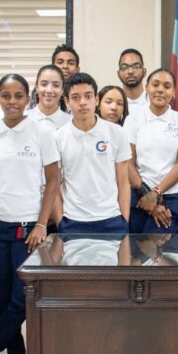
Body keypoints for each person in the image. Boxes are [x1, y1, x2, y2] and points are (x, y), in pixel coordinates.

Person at [0, 73, 60, 354]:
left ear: (29, 99)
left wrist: (41, 223)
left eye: (19, 96)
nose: (13, 102)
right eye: (6, 96)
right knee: (1, 297)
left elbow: (53, 181)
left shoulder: (41, 132)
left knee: (21, 298)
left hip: (28, 228)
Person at [56, 73, 132, 234]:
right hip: (72, 222)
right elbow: (54, 186)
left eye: (88, 96)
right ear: (67, 101)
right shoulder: (57, 137)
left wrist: (124, 221)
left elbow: (124, 182)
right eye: (75, 97)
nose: (82, 102)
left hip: (111, 220)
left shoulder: (117, 133)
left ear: (96, 100)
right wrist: (60, 223)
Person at [125, 69, 178, 234]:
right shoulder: (133, 118)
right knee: (134, 249)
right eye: (155, 85)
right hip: (139, 193)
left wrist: (155, 193)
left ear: (174, 92)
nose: (160, 90)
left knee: (152, 246)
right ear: (147, 88)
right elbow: (128, 162)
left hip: (172, 194)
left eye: (167, 86)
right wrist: (148, 197)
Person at [27, 65, 70, 129]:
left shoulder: (71, 122)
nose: (49, 90)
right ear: (37, 88)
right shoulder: (22, 119)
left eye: (56, 85)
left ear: (62, 90)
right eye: (44, 84)